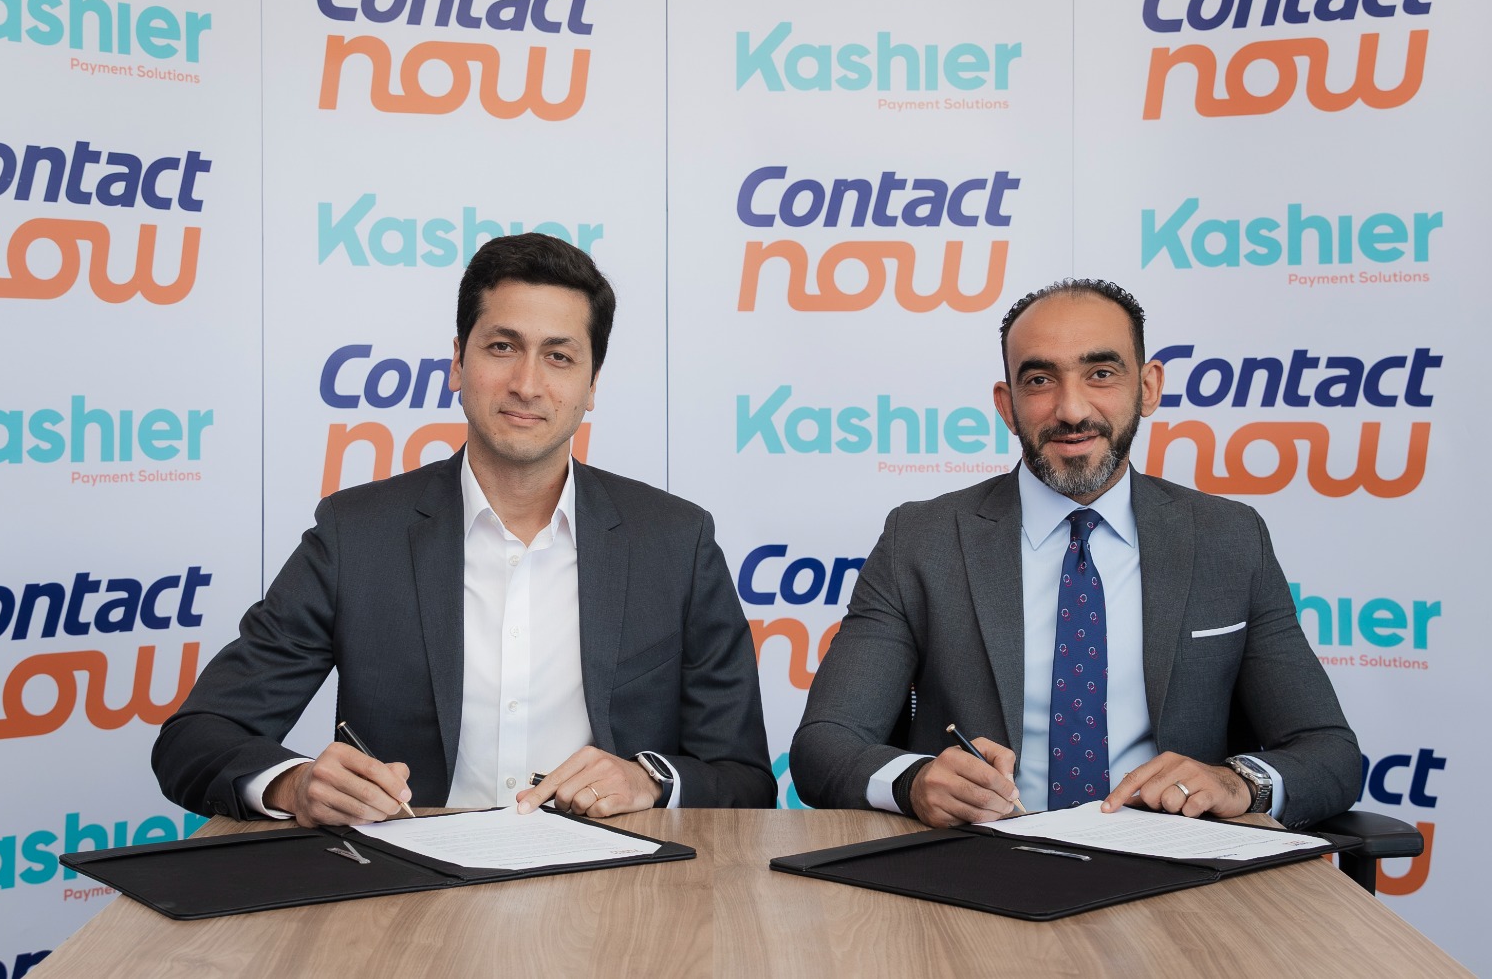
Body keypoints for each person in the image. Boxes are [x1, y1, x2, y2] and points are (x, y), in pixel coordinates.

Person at [154, 233, 773, 826]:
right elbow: (196, 738)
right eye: (502, 347)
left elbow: (745, 780)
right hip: (410, 881)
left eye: (558, 357)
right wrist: (294, 785)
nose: (526, 384)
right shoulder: (355, 537)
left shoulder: (676, 542)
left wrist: (651, 780)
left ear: (592, 385)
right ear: (457, 362)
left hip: (616, 882)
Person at [790, 279, 1359, 830]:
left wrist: (1239, 783)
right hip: (977, 863)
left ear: (1149, 387)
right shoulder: (922, 538)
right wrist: (914, 782)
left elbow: (1328, 752)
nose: (1070, 409)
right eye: (1039, 380)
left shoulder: (1229, 538)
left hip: (1178, 867)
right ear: (1007, 405)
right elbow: (825, 745)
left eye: (1101, 373)